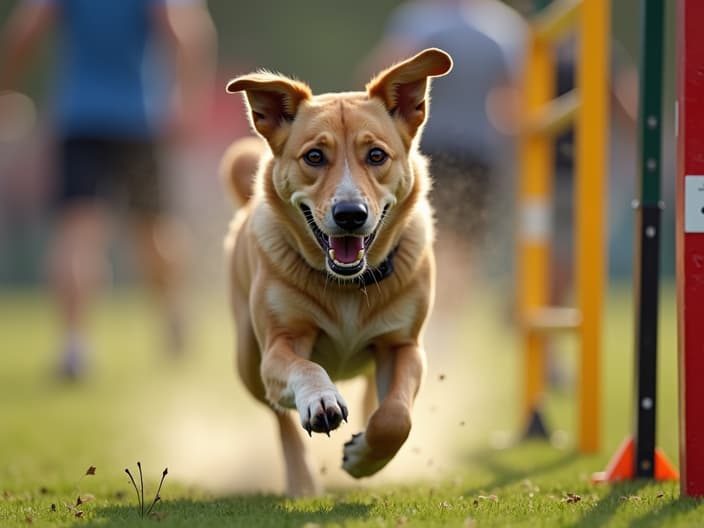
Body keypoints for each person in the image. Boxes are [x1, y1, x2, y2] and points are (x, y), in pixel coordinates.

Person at [0, 0, 217, 378]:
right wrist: (188, 101)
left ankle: (73, 345)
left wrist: (5, 88)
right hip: (141, 119)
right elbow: (188, 33)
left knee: (77, 235)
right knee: (152, 231)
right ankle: (173, 313)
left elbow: (25, 31)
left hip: (80, 119)